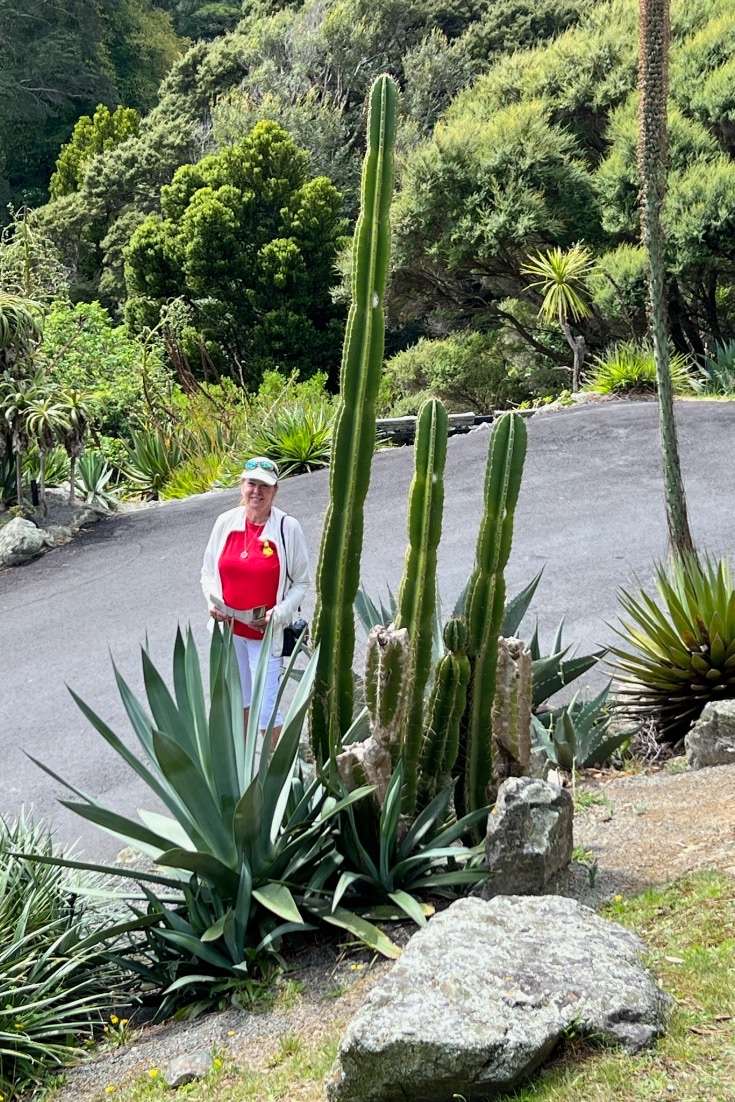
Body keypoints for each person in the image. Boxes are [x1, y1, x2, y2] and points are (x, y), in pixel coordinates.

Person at [200, 456, 310, 743]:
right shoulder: (225, 523)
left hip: (265, 635)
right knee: (241, 704)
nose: (256, 492)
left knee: (266, 712)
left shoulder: (287, 528)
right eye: (252, 484)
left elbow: (301, 582)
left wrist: (280, 613)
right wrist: (212, 602)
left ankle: (283, 776)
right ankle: (248, 772)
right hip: (230, 633)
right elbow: (208, 572)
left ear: (275, 491)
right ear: (242, 486)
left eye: (265, 486)